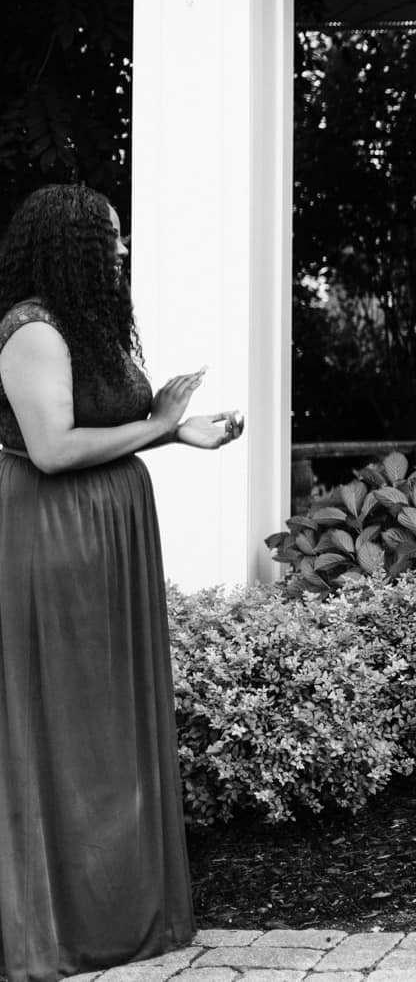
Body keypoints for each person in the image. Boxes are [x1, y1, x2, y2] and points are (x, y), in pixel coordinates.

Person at [0, 184, 245, 982]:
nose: (121, 251)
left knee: (109, 717)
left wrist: (186, 434)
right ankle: (62, 924)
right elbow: (53, 449)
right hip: (53, 534)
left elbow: (117, 429)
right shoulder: (30, 331)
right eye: (108, 240)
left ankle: (119, 909)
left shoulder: (92, 328)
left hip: (109, 533)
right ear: (67, 246)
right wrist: (160, 424)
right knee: (66, 720)